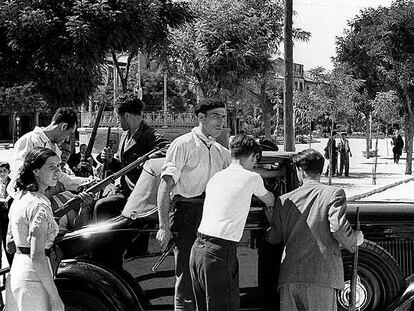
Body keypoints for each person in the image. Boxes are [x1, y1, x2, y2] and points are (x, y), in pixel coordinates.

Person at [156, 98, 231, 311]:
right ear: (201, 118)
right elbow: (165, 186)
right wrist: (164, 227)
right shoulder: (183, 144)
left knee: (210, 275)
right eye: (215, 117)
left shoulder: (222, 152)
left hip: (212, 215)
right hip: (186, 213)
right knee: (187, 276)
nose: (220, 122)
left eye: (223, 117)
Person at [267, 149, 364, 311]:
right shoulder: (333, 194)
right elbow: (338, 227)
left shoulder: (284, 200)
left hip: (290, 277)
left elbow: (273, 237)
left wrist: (272, 221)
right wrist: (354, 240)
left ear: (300, 171)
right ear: (323, 169)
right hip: (321, 276)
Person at [189, 134, 275, 311]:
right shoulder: (252, 178)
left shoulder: (216, 178)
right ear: (253, 156)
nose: (254, 166)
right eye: (255, 162)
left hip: (197, 250)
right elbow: (270, 200)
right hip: (220, 252)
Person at [93, 93, 169, 222]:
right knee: (98, 205)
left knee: (102, 207)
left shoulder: (149, 135)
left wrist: (147, 159)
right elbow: (125, 167)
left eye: (118, 117)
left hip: (139, 194)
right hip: (124, 190)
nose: (118, 122)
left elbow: (168, 148)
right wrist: (111, 160)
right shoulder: (125, 135)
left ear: (126, 116)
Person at [5, 147, 64, 311]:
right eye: (51, 167)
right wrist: (55, 297)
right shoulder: (39, 205)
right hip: (33, 277)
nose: (57, 171)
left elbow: (10, 242)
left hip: (18, 271)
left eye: (58, 166)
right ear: (36, 170)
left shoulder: (20, 198)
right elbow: (37, 255)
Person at [7, 107, 92, 198]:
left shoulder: (54, 148)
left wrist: (84, 182)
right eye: (69, 133)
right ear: (63, 126)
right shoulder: (30, 140)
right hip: (27, 198)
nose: (67, 138)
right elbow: (19, 172)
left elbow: (59, 175)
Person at [0, 161, 13, 265]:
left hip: (8, 218)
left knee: (8, 243)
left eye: (4, 171)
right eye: (0, 171)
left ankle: (12, 268)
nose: (2, 173)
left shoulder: (13, 184)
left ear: (9, 172)